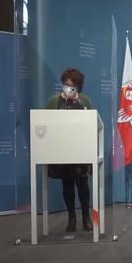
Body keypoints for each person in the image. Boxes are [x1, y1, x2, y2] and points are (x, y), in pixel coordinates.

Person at [46, 67, 95, 232]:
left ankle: (86, 217)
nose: (69, 88)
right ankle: (71, 217)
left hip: (81, 149)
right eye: (66, 85)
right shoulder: (54, 101)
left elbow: (92, 123)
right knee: (67, 185)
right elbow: (46, 124)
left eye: (73, 86)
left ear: (79, 88)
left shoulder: (85, 101)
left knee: (83, 184)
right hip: (62, 151)